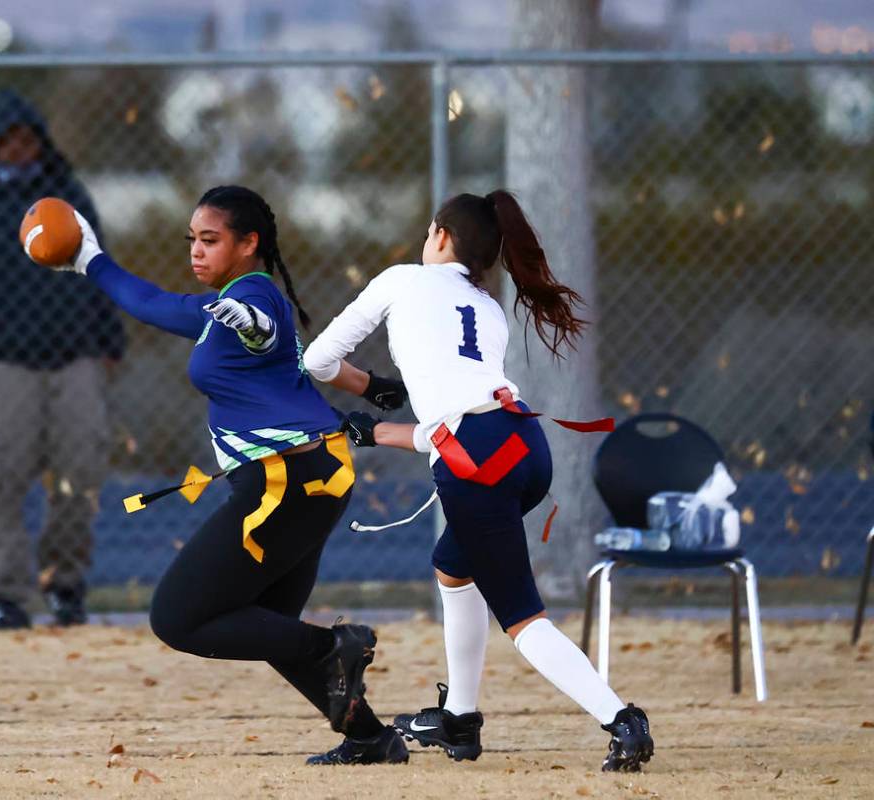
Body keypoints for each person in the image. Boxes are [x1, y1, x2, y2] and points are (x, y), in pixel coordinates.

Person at [47, 185, 409, 766]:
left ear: (249, 244)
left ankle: (336, 645)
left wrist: (248, 322)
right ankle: (369, 736)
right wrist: (90, 258)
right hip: (311, 475)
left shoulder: (256, 297)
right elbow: (150, 301)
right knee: (265, 624)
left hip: (285, 480)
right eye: (192, 239)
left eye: (210, 240)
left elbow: (262, 326)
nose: (196, 250)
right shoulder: (218, 309)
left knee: (177, 617)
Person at [302, 191, 654, 772]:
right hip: (523, 448)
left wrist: (369, 387)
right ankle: (459, 720)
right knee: (452, 564)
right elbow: (457, 424)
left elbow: (317, 360)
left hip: (479, 463)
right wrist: (380, 432)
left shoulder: (402, 280)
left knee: (522, 617)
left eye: (427, 233)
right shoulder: (486, 307)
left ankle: (621, 720)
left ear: (439, 235)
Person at [0, 90, 125, 629]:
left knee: (79, 475)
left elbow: (100, 269)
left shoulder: (66, 198)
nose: (18, 150)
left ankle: (65, 585)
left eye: (27, 140)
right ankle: (3, 596)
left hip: (74, 359)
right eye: (8, 140)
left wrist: (109, 344)